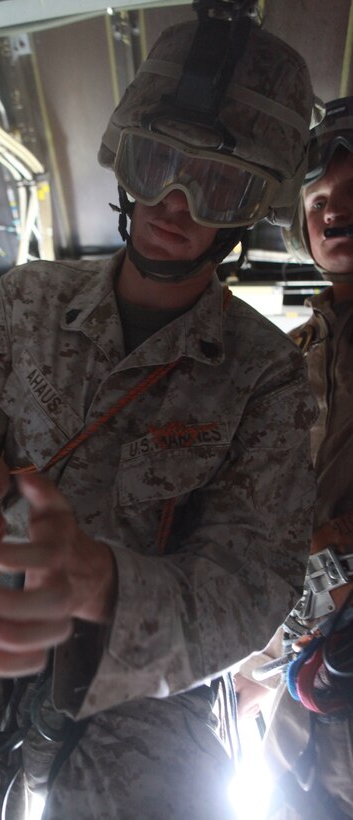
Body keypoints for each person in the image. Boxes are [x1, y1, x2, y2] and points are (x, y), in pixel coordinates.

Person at [0, 13, 318, 820]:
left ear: (252, 208)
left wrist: (100, 583)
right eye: (157, 163)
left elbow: (251, 585)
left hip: (151, 679)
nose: (174, 203)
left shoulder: (268, 375)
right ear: (123, 158)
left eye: (215, 183)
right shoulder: (15, 306)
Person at [235, 97, 353, 819]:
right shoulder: (280, 363)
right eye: (318, 198)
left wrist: (266, 646)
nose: (334, 210)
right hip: (291, 746)